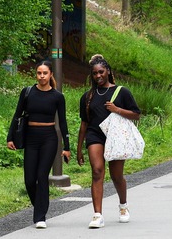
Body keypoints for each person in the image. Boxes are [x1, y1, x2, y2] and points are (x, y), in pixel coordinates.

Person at [77, 54, 141, 228]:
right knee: (97, 171)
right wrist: (79, 148)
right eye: (95, 73)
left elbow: (136, 114)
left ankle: (123, 206)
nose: (98, 76)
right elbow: (84, 124)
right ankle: (97, 215)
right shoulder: (87, 97)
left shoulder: (122, 91)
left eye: (101, 72)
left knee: (116, 175)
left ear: (108, 72)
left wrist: (117, 109)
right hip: (94, 135)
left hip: (115, 137)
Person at [7, 60, 70, 229]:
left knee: (42, 176)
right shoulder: (27, 92)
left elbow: (63, 123)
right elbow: (17, 115)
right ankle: (40, 206)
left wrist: (67, 147)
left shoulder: (57, 96)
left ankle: (40, 216)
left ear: (51, 75)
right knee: (29, 180)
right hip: (31, 138)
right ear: (36, 74)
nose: (42, 76)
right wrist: (10, 137)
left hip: (49, 138)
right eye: (39, 73)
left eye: (45, 73)